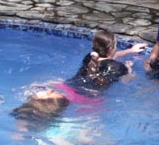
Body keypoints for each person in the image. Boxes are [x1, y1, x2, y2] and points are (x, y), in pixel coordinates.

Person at [13, 30, 146, 117]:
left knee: (42, 108)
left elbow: (110, 58)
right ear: (111, 48)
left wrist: (130, 51)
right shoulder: (119, 67)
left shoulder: (89, 57)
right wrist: (129, 68)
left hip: (66, 87)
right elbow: (127, 79)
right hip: (87, 98)